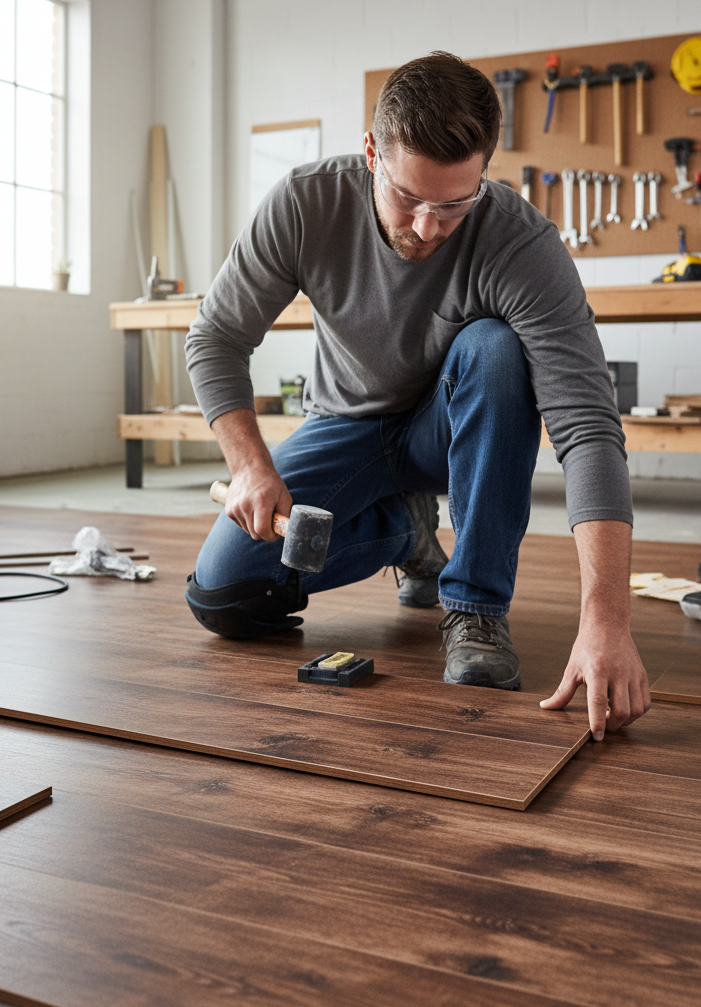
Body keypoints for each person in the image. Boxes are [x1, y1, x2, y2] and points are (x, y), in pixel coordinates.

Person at [184, 51, 650, 741]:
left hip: (451, 427)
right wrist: (251, 466)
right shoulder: (306, 202)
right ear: (371, 151)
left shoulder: (521, 243)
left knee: (494, 348)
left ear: (485, 170)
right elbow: (216, 336)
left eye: (454, 205)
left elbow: (586, 427)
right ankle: (405, 531)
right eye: (409, 198)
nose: (429, 227)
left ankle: (476, 607)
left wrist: (606, 620)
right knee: (224, 596)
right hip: (346, 423)